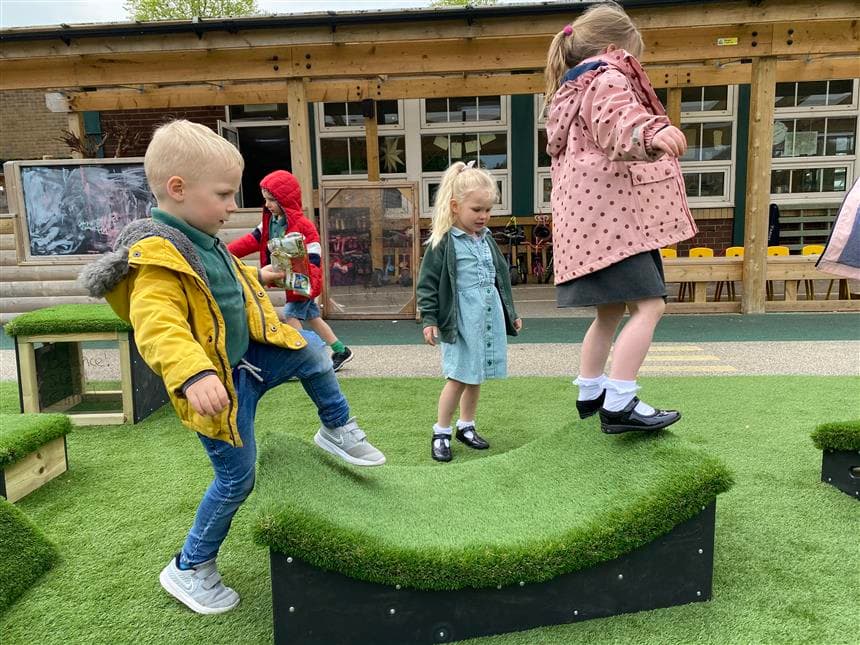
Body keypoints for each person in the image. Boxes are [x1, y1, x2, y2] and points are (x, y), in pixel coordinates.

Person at [80, 120, 385, 616]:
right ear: (177, 189)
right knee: (235, 479)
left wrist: (255, 272)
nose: (231, 206)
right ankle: (190, 566)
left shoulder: (203, 237)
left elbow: (217, 281)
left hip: (249, 359)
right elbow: (158, 325)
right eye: (223, 194)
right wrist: (192, 375)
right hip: (215, 385)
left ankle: (337, 429)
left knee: (311, 348)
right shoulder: (155, 258)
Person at [544, 1, 697, 434]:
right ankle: (620, 401)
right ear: (615, 49)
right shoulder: (607, 76)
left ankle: (590, 390)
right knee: (650, 306)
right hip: (614, 219)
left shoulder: (569, 90)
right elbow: (620, 124)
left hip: (590, 222)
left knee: (609, 311)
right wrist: (653, 131)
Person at [417, 161, 522, 462]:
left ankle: (467, 425)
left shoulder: (486, 238)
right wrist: (429, 319)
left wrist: (509, 312)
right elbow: (427, 284)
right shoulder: (444, 242)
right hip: (460, 320)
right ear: (455, 206)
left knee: (476, 376)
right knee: (458, 376)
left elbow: (499, 277)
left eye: (488, 209)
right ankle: (441, 431)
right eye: (477, 209)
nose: (484, 216)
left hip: (485, 317)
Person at [228, 170, 354, 372]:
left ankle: (312, 357)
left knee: (289, 316)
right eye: (266, 200)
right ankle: (340, 350)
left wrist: (311, 282)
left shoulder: (303, 226)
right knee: (313, 317)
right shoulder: (270, 221)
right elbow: (252, 240)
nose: (267, 204)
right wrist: (226, 253)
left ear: (284, 200)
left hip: (302, 283)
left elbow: (314, 255)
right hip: (291, 282)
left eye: (271, 200)